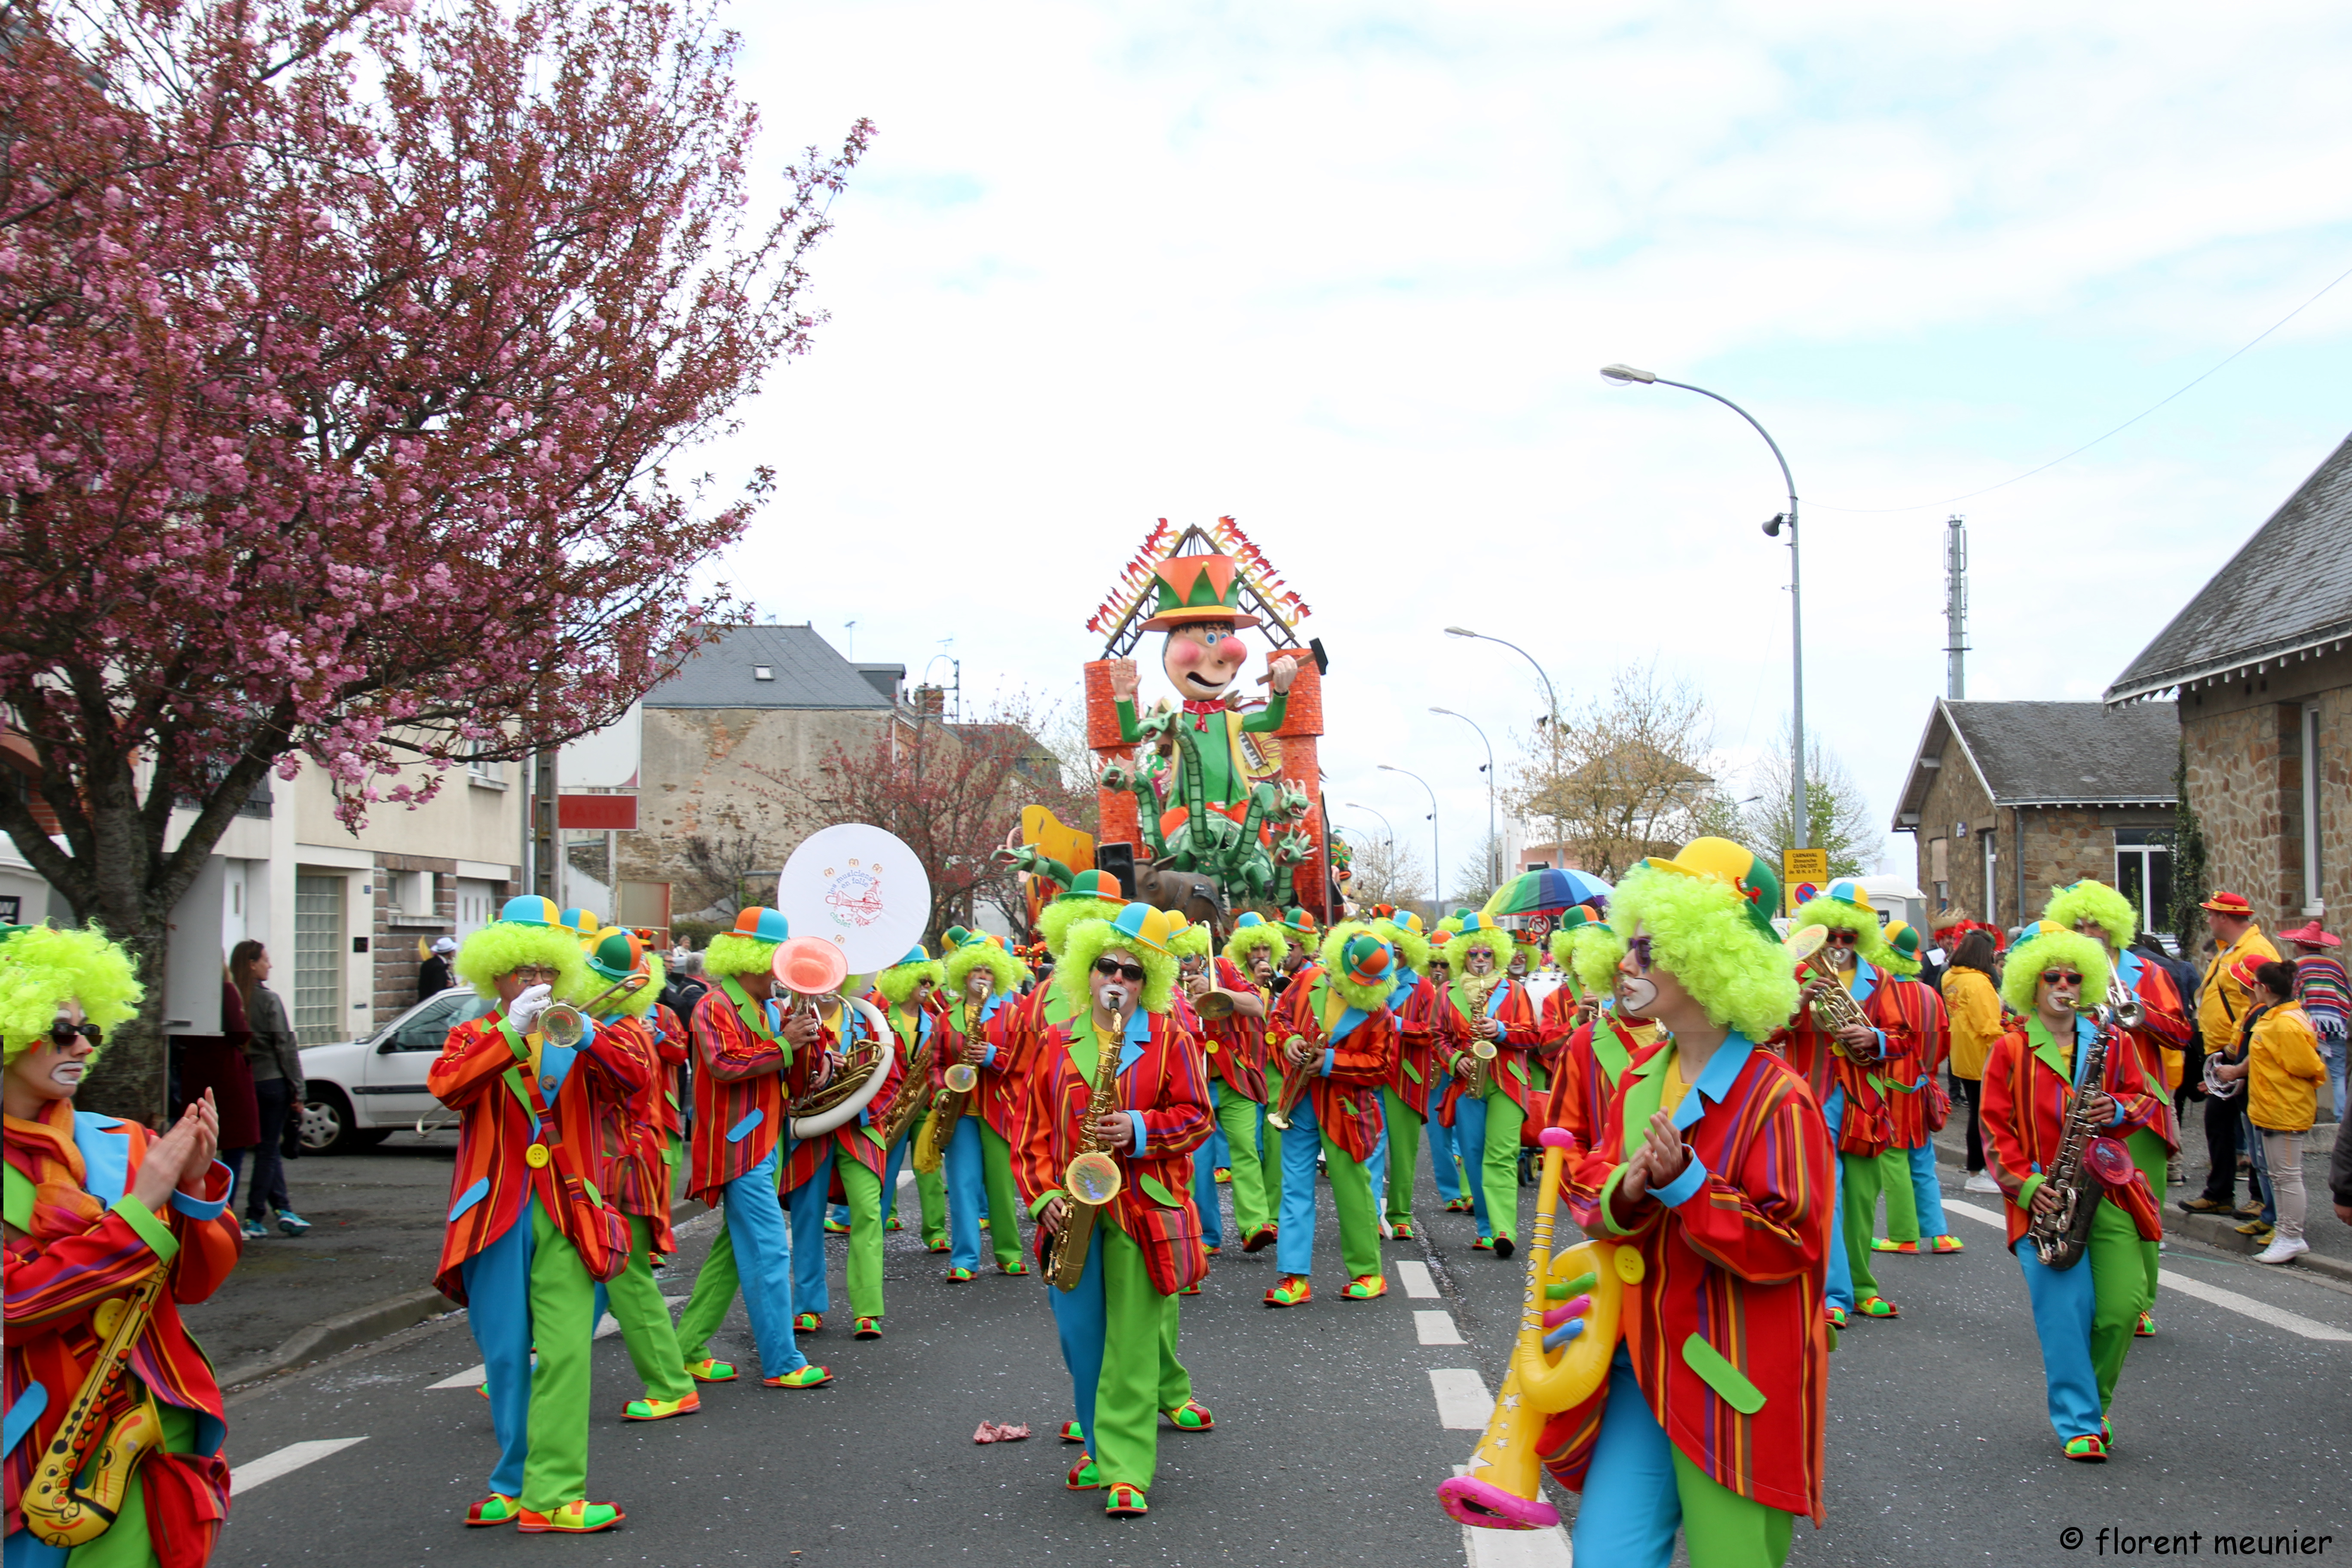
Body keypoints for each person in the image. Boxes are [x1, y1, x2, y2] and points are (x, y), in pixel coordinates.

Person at [1540, 839, 1829, 1568]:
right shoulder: (1642, 1079)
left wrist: (1689, 1187)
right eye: (1627, 945)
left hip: (1732, 1380)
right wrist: (1629, 1188)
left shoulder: (1778, 1097)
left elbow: (1791, 1246)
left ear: (1706, 960)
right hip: (1640, 1370)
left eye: (1645, 947)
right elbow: (1589, 1189)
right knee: (1601, 1558)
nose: (1624, 964)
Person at [4, 922, 242, 1568]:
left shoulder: (124, 1140)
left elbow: (192, 1284)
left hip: (142, 1430)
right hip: (32, 1448)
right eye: (61, 1029)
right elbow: (13, 1307)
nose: (82, 1043)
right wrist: (139, 1212)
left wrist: (192, 1190)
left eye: (90, 1029)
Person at [427, 896, 652, 1532]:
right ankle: (514, 1479)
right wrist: (507, 1033)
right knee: (503, 1354)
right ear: (492, 975)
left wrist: (588, 1035)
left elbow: (638, 1080)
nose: (533, 981)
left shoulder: (578, 1027)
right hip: (494, 1210)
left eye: (543, 970)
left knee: (565, 1352)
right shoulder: (473, 1035)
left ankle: (553, 1492)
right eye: (519, 970)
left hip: (566, 1206)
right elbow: (448, 1087)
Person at [1014, 903, 1213, 1517]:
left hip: (1141, 1208)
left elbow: (1197, 1116)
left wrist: (1140, 1128)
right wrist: (1043, 1195)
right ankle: (1098, 1445)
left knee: (1131, 1343)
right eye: (1108, 967)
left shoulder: (1172, 1037)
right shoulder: (1055, 1040)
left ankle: (1126, 1469)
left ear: (1147, 981)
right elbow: (1030, 1131)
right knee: (1082, 1342)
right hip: (1072, 1211)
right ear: (1087, 972)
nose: (1118, 980)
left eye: (1132, 972)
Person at [1980, 922, 2165, 1462]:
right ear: (2032, 984)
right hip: (2046, 1200)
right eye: (2053, 977)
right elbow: (1994, 1132)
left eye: (2074, 978)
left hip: (2109, 1192)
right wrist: (2030, 1185)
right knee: (2066, 1314)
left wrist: (2122, 1110)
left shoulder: (2113, 1041)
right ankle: (2079, 1420)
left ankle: (2093, 1403)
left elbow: (2147, 1099)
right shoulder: (2010, 1050)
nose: (2064, 986)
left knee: (2123, 1306)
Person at [671, 906, 831, 1388]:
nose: (784, 973)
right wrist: (785, 1045)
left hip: (767, 1144)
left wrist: (812, 1044)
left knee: (730, 1258)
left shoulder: (774, 1008)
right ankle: (783, 1362)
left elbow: (796, 1084)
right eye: (776, 961)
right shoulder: (712, 1006)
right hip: (736, 1149)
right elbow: (722, 1064)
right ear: (750, 958)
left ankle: (685, 1349)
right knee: (767, 1252)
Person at [2043, 882, 2190, 1334]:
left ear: (2115, 928)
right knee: (2078, 1202)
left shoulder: (2146, 972)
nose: (2089, 933)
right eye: (2079, 926)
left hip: (2139, 1107)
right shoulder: (2062, 975)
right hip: (2081, 1103)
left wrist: (2140, 1011)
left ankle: (2140, 1300)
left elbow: (2183, 1034)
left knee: (2142, 1204)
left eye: (2097, 925)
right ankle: (2092, 1292)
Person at [1775, 880, 1914, 1326]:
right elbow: (1770, 1031)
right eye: (1829, 935)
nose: (1837, 944)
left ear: (1861, 938)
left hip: (1864, 1101)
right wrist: (1798, 1005)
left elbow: (1903, 1040)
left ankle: (1862, 1287)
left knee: (1860, 1197)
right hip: (1813, 1095)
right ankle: (1832, 1294)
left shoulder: (1882, 980)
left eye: (1847, 937)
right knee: (1826, 1195)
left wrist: (1873, 1037)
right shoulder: (1799, 975)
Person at [574, 928, 700, 1421]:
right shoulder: (618, 1024)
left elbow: (633, 1078)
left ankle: (671, 1384)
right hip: (611, 1167)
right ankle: (527, 1374)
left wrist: (585, 1035)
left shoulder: (623, 1030)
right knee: (590, 1276)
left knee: (629, 1281)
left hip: (622, 1168)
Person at [1262, 922, 1399, 1307]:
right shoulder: (1306, 980)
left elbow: (1380, 1066)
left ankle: (1368, 1273)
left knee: (1353, 1191)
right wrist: (1289, 1041)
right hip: (1299, 1102)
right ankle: (1293, 1278)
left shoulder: (1379, 1013)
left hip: (1347, 1113)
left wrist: (1331, 1062)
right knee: (1294, 1189)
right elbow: (1278, 1018)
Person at [1435, 913, 1543, 1258]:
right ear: (1462, 957)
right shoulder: (1446, 993)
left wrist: (1503, 1030)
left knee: (1503, 1154)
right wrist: (1455, 1060)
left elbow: (1533, 1035)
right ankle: (1484, 1227)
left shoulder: (1515, 991)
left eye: (1487, 955)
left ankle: (1503, 1230)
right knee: (1474, 1154)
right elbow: (1436, 1036)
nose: (1481, 960)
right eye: (1474, 955)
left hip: (1508, 1080)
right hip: (1468, 1082)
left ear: (1497, 956)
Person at [2209, 959, 2326, 1265]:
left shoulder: (2284, 1023)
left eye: (2255, 985)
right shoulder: (2275, 1018)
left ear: (2265, 988)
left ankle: (2291, 1235)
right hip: (2274, 1106)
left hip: (2284, 1108)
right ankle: (2287, 1233)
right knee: (2278, 1175)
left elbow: (2308, 1066)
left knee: (2287, 1176)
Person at [934, 929, 1034, 1280]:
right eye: (976, 970)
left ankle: (1009, 1253)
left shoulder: (1012, 1013)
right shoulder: (947, 1017)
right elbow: (936, 1063)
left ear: (999, 975)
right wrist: (940, 1091)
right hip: (960, 1113)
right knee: (962, 1185)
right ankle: (964, 1259)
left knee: (1001, 1185)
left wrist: (993, 1056)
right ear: (964, 974)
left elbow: (1029, 1059)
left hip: (999, 1108)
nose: (982, 976)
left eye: (989, 971)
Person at [1864, 921, 1964, 1258]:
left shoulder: (1881, 992)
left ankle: (1904, 1235)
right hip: (1924, 1086)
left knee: (1893, 1160)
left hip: (1889, 1088)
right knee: (1923, 1159)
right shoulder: (1930, 994)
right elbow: (1943, 1044)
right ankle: (1938, 1234)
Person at [1188, 913, 1284, 1255]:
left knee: (1246, 1149)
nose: (1188, 959)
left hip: (1234, 1077)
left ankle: (1254, 1224)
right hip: (1191, 1083)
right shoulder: (1159, 978)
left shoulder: (1223, 968)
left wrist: (1216, 991)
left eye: (1192, 951)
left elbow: (1257, 1006)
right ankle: (1205, 1235)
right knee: (1197, 1163)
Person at [2181, 891, 2280, 1219]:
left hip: (2243, 1052)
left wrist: (2238, 1057)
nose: (2208, 921)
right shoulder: (2231, 950)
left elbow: (2265, 1006)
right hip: (2225, 1051)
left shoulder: (2255, 951)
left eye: (2211, 915)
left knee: (2254, 1127)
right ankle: (2220, 1193)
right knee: (2219, 1124)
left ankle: (2259, 1197)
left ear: (2225, 917)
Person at [229, 938, 311, 1238]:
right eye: (265, 959)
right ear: (252, 964)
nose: (270, 964)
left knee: (252, 1151)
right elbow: (286, 1047)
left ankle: (283, 1209)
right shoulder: (268, 1000)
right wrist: (298, 1090)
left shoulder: (232, 999)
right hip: (273, 1082)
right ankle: (254, 1217)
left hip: (243, 1082)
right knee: (267, 1151)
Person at [1367, 910, 1438, 1240]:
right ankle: (1370, 1213)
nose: (1393, 952)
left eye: (1399, 948)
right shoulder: (1370, 982)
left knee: (1404, 1151)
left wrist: (1393, 1024)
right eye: (1388, 947)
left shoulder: (1423, 988)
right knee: (1371, 1147)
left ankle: (1400, 1215)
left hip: (1407, 1078)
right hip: (1370, 1074)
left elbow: (1429, 1031)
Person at [1940, 930, 2005, 1195]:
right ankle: (1980, 1171)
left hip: (1962, 1052)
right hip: (1982, 1054)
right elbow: (1988, 1024)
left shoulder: (1950, 976)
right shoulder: (1979, 983)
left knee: (1976, 1114)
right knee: (1985, 1117)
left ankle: (1977, 1170)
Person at [2282, 922, 2349, 1124]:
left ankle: (2310, 1116)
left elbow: (2293, 997)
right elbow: (2346, 996)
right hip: (2335, 1025)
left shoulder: (2296, 966)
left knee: (2308, 1072)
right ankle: (2342, 1121)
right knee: (2338, 1074)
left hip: (2307, 1028)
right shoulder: (2337, 966)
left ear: (2301, 945)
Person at [420, 934, 457, 1000]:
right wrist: (450, 987)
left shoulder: (428, 963)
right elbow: (438, 992)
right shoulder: (439, 968)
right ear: (450, 953)